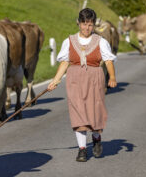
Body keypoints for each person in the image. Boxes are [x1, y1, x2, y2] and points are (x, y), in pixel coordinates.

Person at [47, 8, 117, 162]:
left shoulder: (101, 41)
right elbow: (65, 62)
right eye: (84, 24)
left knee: (94, 113)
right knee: (78, 113)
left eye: (90, 25)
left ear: (94, 26)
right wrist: (55, 80)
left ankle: (96, 138)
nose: (87, 28)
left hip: (95, 78)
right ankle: (82, 149)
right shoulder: (69, 41)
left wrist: (111, 76)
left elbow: (108, 61)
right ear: (78, 23)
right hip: (75, 80)